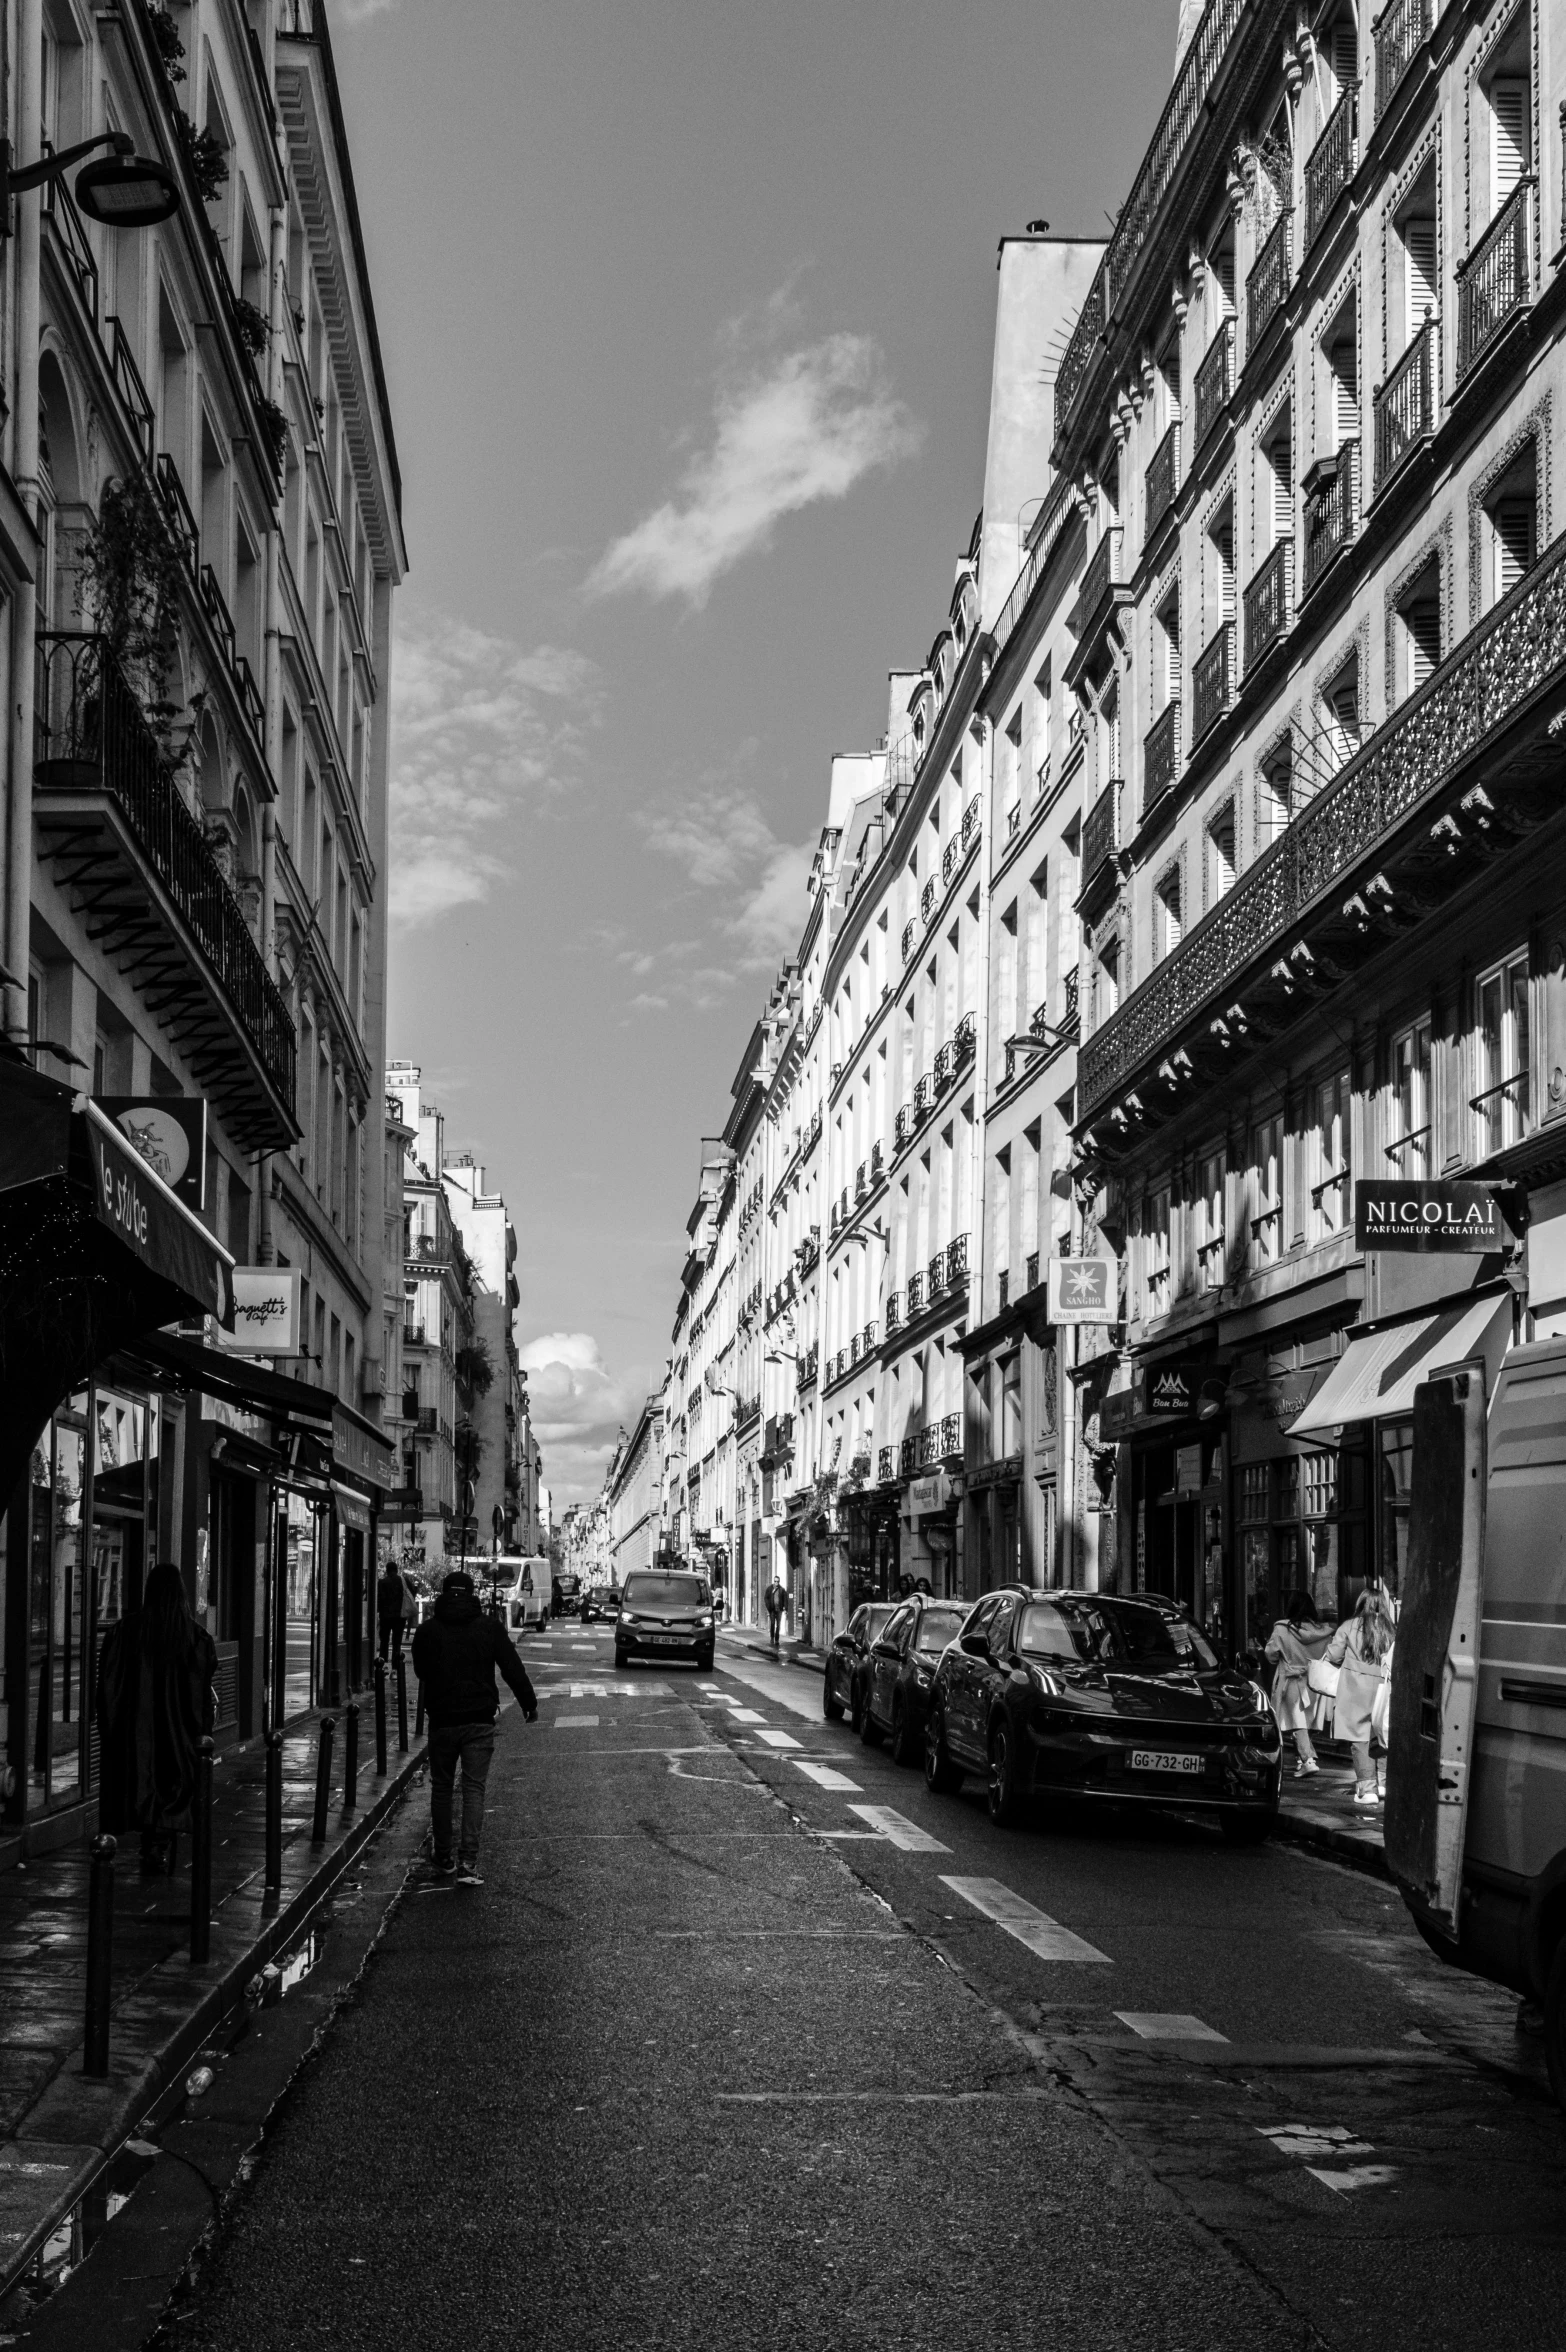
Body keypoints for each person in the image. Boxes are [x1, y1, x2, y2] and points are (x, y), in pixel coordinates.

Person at [411, 1568, 538, 1884]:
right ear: (471, 1595)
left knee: (441, 1788)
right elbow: (512, 1667)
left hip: (442, 1720)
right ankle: (468, 1862)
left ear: (443, 1593)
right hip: (479, 1719)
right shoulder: (489, 1628)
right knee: (473, 1789)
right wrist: (528, 1703)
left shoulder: (428, 1631)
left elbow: (420, 1670)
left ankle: (443, 1857)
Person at [96, 1562, 219, 1873]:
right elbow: (201, 1696)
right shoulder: (196, 1639)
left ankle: (151, 1841)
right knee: (171, 1786)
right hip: (179, 1737)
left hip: (137, 1735)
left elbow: (108, 1690)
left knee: (143, 1783)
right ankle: (158, 1842)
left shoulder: (124, 1633)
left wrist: (112, 1730)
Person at [1325, 1584, 1399, 1808]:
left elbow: (1333, 1655)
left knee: (1360, 1738)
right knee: (1383, 1733)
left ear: (1361, 1604)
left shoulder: (1349, 1626)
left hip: (1355, 1689)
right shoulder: (1391, 1629)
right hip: (1383, 1688)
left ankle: (1367, 1789)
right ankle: (1384, 1783)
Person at [1263, 1591, 1332, 1779]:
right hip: (1315, 1682)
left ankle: (1308, 1759)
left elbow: (1270, 1654)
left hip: (1292, 1681)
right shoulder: (1324, 1632)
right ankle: (1304, 1760)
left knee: (1297, 1723)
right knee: (1307, 1723)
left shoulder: (1282, 1629)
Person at [376, 1558, 408, 1662]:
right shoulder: (403, 1581)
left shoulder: (382, 1582)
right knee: (397, 1642)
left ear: (387, 1570)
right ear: (396, 1570)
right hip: (400, 1616)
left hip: (385, 1616)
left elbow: (379, 1599)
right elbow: (411, 1594)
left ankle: (383, 1664)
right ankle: (395, 1667)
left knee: (384, 1641)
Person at [765, 1574, 787, 1654]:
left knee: (778, 1625)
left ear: (779, 1582)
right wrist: (768, 1607)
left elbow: (785, 1599)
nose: (776, 1583)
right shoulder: (770, 1589)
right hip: (772, 1610)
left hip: (779, 1610)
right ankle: (772, 1637)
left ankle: (777, 1639)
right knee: (772, 1623)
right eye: (775, 1581)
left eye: (777, 1581)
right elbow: (766, 1598)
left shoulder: (781, 1589)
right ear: (773, 1581)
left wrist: (785, 1608)